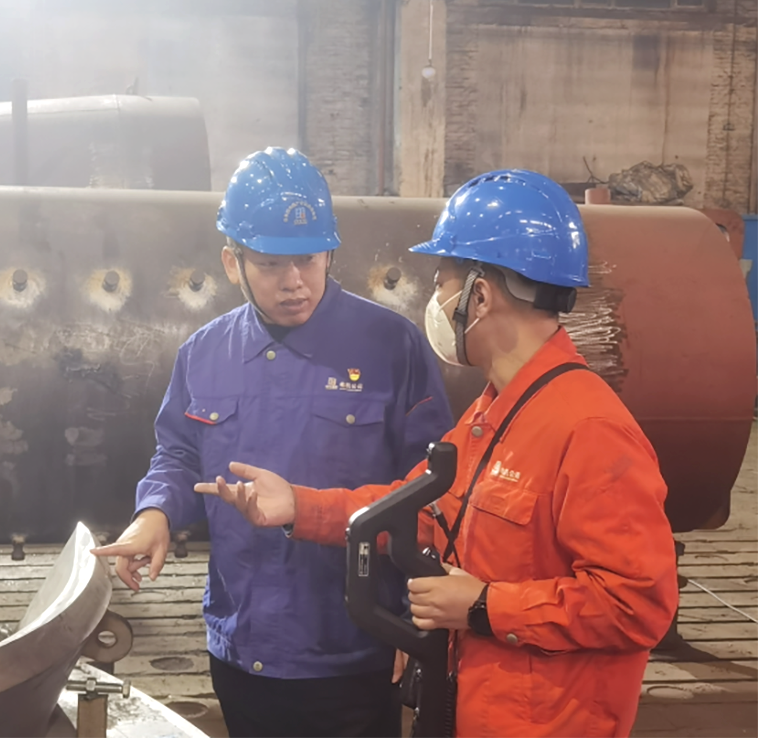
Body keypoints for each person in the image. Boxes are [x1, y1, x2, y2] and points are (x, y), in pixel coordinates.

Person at [196, 169, 680, 738]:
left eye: (442, 282)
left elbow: (637, 604)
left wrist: (482, 607)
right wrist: (300, 507)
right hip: (473, 708)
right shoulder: (491, 415)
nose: (436, 301)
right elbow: (416, 511)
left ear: (480, 296)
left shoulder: (588, 428)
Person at [92, 147, 453, 738]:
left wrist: (411, 623)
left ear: (329, 251)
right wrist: (155, 513)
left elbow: (433, 494)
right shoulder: (205, 353)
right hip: (243, 644)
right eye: (269, 264)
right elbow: (178, 453)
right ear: (232, 263)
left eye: (308, 259)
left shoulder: (393, 346)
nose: (293, 282)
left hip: (354, 646)